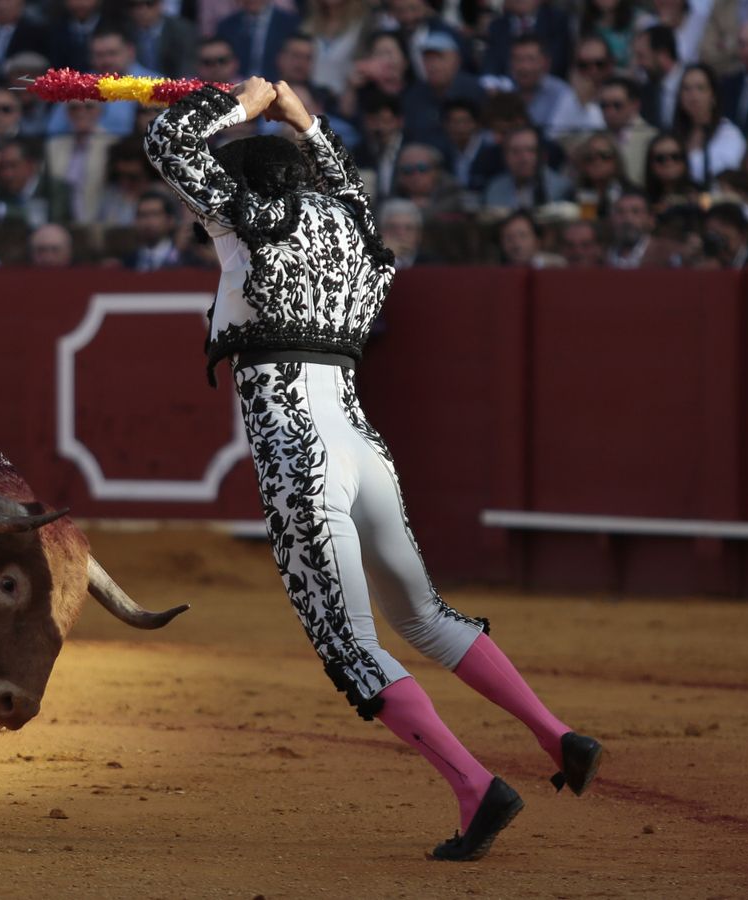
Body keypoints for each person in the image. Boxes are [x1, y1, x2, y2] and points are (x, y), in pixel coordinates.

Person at [143, 75, 602, 861]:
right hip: (363, 443)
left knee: (349, 645)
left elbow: (166, 142)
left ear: (243, 189)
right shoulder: (356, 231)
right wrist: (305, 119)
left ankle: (472, 786)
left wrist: (247, 106)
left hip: (297, 450)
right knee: (422, 613)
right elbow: (350, 184)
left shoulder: (252, 222)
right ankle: (556, 735)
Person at [114, 189, 182, 270]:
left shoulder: (185, 259)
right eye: (143, 215)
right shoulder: (126, 263)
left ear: (170, 220)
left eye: (155, 214)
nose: (148, 222)